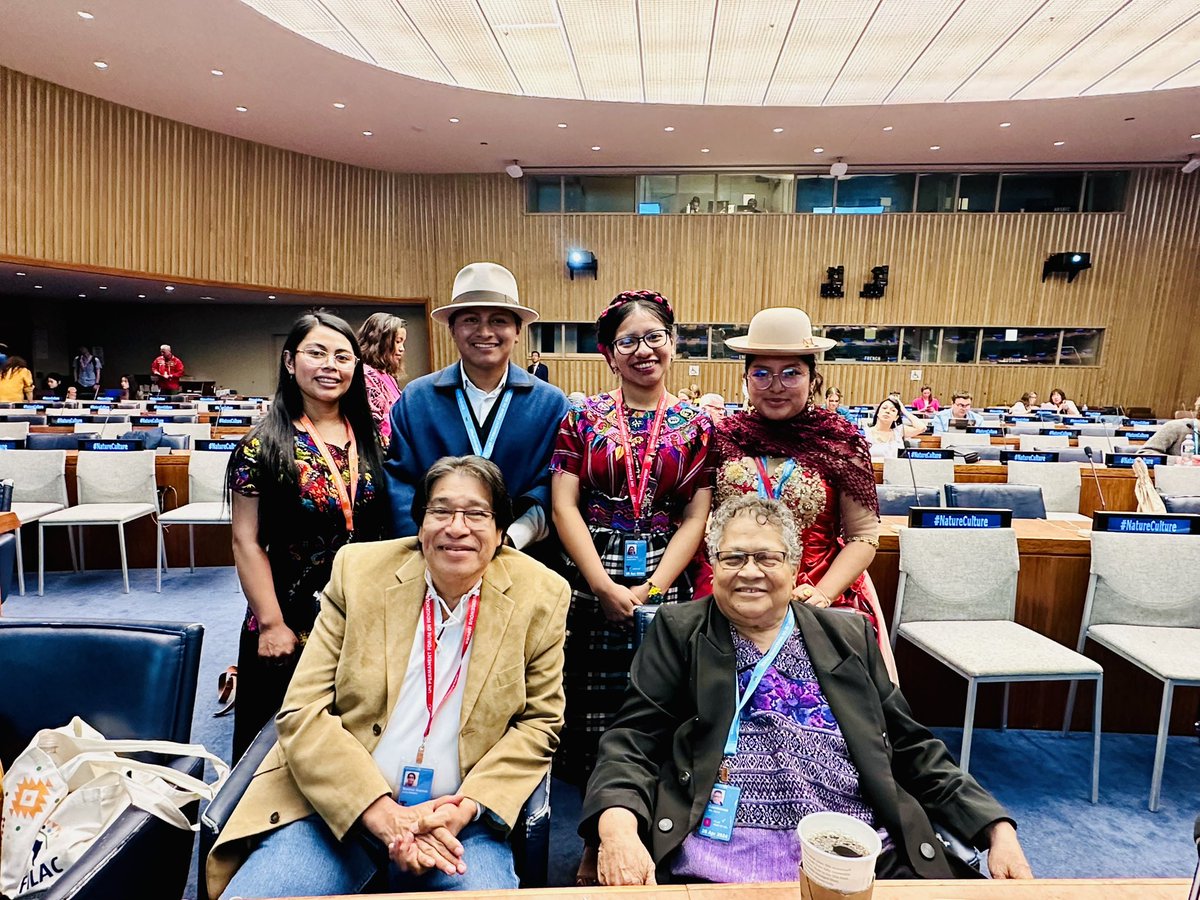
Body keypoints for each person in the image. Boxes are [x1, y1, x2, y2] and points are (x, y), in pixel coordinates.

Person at [579, 495, 1032, 885]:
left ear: (794, 568)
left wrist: (995, 830)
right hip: (718, 852)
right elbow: (631, 742)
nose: (749, 572)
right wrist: (617, 828)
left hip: (861, 851)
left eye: (767, 558)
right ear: (712, 566)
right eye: (733, 557)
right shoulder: (680, 631)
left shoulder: (847, 634)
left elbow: (914, 747)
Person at [207, 456, 571, 899]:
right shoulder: (359, 574)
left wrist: (466, 807)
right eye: (440, 512)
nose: (457, 528)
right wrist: (378, 811)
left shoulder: (542, 595)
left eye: (477, 514)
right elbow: (303, 709)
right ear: (419, 525)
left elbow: (539, 725)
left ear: (500, 533)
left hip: (456, 823)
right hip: (335, 810)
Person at [551, 290, 714, 805]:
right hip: (590, 569)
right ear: (609, 351)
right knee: (590, 695)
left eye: (654, 337)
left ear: (672, 342)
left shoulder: (699, 425)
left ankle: (653, 803)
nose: (643, 350)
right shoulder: (583, 418)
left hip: (667, 570)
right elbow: (563, 507)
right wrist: (601, 583)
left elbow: (696, 515)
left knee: (662, 690)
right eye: (628, 341)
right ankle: (594, 814)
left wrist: (654, 586)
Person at [226, 312, 387, 761]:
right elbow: (246, 541)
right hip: (289, 614)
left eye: (342, 356)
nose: (330, 366)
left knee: (355, 739)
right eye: (316, 353)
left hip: (361, 612)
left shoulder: (374, 439)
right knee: (278, 745)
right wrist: (272, 623)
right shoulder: (261, 444)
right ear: (289, 360)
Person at [711, 308, 888, 653]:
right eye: (761, 373)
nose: (776, 386)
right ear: (745, 380)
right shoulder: (722, 438)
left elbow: (863, 536)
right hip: (735, 593)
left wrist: (823, 594)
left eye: (791, 373)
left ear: (813, 379)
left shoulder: (841, 442)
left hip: (817, 596)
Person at [383, 263, 568, 555]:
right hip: (434, 558)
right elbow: (399, 481)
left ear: (518, 330)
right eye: (470, 320)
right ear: (453, 329)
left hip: (523, 559)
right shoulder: (416, 400)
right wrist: (429, 542)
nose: (484, 332)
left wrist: (512, 538)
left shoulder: (551, 404)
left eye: (498, 321)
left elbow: (553, 486)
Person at [356, 312, 407, 449]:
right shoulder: (365, 374)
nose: (402, 349)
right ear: (380, 341)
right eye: (397, 342)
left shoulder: (388, 376)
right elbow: (377, 423)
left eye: (403, 342)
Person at [863, 397, 928, 459]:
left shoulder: (899, 431)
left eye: (893, 410)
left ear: (896, 417)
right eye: (884, 408)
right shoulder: (865, 433)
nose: (887, 411)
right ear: (877, 412)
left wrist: (904, 410)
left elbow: (922, 428)